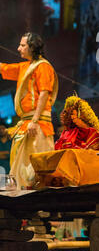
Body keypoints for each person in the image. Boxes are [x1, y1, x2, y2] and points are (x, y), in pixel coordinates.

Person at [0, 33, 58, 189]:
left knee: (34, 170)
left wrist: (34, 120)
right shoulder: (25, 66)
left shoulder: (43, 66)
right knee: (20, 168)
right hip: (26, 123)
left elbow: (45, 93)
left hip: (37, 125)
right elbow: (4, 68)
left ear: (32, 47)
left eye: (23, 45)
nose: (18, 48)